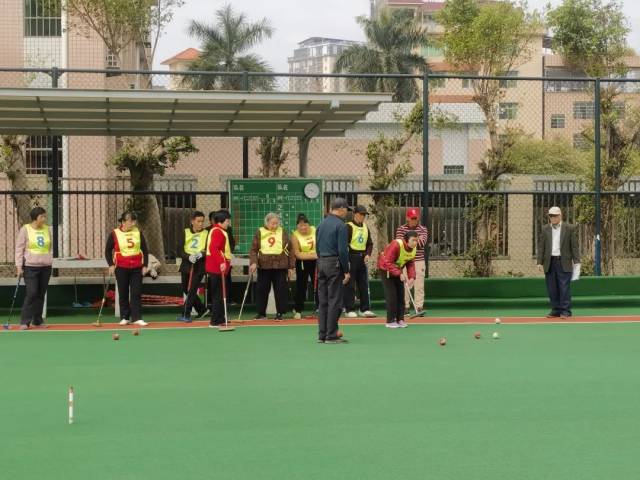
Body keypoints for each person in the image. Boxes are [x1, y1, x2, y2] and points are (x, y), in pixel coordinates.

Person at [315, 198, 351, 344]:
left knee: (323, 301)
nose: (347, 212)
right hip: (334, 263)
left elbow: (317, 247)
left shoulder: (321, 223)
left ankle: (322, 335)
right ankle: (331, 335)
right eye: (346, 209)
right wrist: (346, 270)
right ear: (341, 209)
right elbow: (342, 250)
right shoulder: (341, 225)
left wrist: (321, 260)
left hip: (321, 262)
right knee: (335, 300)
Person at [105, 211, 149, 326]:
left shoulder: (138, 232)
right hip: (121, 267)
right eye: (131, 221)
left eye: (134, 221)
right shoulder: (114, 234)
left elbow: (145, 250)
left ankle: (137, 317)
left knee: (136, 293)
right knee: (123, 292)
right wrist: (111, 264)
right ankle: (125, 317)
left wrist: (145, 265)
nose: (133, 223)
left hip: (137, 267)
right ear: (123, 222)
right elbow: (107, 251)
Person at [249, 212, 295, 321]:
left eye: (276, 223)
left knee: (280, 290)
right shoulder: (260, 232)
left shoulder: (282, 232)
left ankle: (280, 313)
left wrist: (291, 266)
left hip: (280, 265)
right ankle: (261, 313)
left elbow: (290, 250)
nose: (275, 225)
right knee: (262, 290)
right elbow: (254, 249)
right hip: (264, 265)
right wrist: (254, 262)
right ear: (266, 222)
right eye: (272, 223)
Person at [537, 206, 580, 319]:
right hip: (549, 262)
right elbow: (541, 246)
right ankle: (555, 310)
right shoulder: (545, 229)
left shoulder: (569, 228)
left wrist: (577, 262)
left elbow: (574, 247)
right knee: (552, 288)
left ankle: (565, 311)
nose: (552, 218)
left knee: (564, 287)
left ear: (560, 216)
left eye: (555, 216)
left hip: (564, 261)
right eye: (551, 216)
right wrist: (539, 262)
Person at [14, 206, 53, 330]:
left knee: (41, 294)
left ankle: (38, 320)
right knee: (32, 293)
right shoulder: (25, 229)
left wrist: (49, 259)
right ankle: (25, 321)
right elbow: (19, 249)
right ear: (35, 218)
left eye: (44, 216)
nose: (44, 219)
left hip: (45, 267)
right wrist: (19, 266)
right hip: (30, 267)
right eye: (42, 216)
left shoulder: (47, 229)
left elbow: (49, 246)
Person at [378, 231, 418, 328]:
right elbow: (388, 261)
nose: (415, 242)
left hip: (397, 270)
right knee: (392, 295)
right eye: (413, 240)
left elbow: (410, 264)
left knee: (401, 295)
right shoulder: (396, 244)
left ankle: (400, 319)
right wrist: (399, 273)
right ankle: (390, 321)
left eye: (416, 240)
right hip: (386, 269)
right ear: (406, 240)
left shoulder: (413, 249)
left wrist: (412, 277)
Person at [176, 210, 209, 321]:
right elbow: (179, 250)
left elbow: (209, 249)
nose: (201, 224)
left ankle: (186, 314)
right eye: (198, 221)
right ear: (192, 221)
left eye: (202, 221)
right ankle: (202, 310)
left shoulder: (206, 233)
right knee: (185, 288)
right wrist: (188, 256)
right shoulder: (185, 232)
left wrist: (201, 254)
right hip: (187, 263)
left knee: (192, 289)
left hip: (199, 265)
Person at [344, 205, 376, 318]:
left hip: (362, 258)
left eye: (364, 215)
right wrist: (346, 260)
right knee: (350, 284)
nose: (363, 216)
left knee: (363, 284)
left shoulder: (366, 227)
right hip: (351, 257)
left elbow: (370, 244)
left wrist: (367, 254)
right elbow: (344, 244)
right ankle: (349, 309)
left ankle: (364, 309)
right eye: (361, 214)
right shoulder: (348, 226)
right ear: (355, 214)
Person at [395, 208, 429, 313]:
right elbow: (400, 244)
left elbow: (421, 244)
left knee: (419, 284)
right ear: (407, 218)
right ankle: (405, 306)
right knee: (405, 284)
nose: (414, 220)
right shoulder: (401, 229)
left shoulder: (423, 229)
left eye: (416, 218)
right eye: (412, 218)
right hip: (405, 260)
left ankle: (419, 306)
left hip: (419, 260)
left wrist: (409, 242)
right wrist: (414, 241)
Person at [205, 210, 233, 328]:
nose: (228, 223)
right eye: (227, 221)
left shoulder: (218, 230)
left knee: (221, 294)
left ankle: (221, 318)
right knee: (218, 295)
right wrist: (221, 261)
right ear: (221, 221)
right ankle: (215, 321)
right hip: (217, 268)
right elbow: (214, 248)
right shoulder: (217, 231)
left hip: (218, 267)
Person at [291, 213, 318, 319]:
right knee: (301, 286)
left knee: (318, 285)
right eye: (300, 225)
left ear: (308, 224)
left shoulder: (315, 230)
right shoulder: (295, 235)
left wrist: (316, 255)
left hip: (316, 262)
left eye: (305, 225)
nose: (303, 227)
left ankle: (319, 308)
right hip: (302, 263)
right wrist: (312, 255)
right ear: (297, 226)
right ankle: (298, 309)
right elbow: (297, 254)